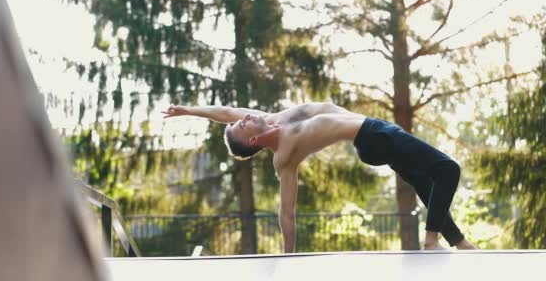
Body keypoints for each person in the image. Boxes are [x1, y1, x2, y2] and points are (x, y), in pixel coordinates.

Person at [162, 102, 477, 252]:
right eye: (244, 125)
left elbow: (226, 113)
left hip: (375, 136)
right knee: (448, 170)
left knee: (424, 183)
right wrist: (289, 257)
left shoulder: (273, 118)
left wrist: (189, 110)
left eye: (242, 118)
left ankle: (459, 242)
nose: (245, 116)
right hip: (373, 135)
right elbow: (287, 211)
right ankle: (431, 241)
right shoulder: (284, 156)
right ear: (254, 141)